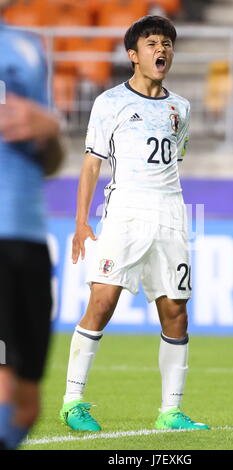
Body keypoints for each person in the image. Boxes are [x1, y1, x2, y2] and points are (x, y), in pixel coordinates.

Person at [60, 15, 210, 432]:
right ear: (133, 55)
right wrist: (81, 221)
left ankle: (171, 411)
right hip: (125, 212)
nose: (161, 50)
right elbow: (92, 164)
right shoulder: (110, 102)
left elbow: (174, 160)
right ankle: (73, 402)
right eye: (151, 44)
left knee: (176, 311)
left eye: (167, 43)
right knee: (103, 301)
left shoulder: (182, 107)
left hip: (171, 213)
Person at [0, 0, 64, 450]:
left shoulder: (28, 49)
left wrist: (50, 129)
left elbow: (50, 161)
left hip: (28, 238)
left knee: (25, 406)